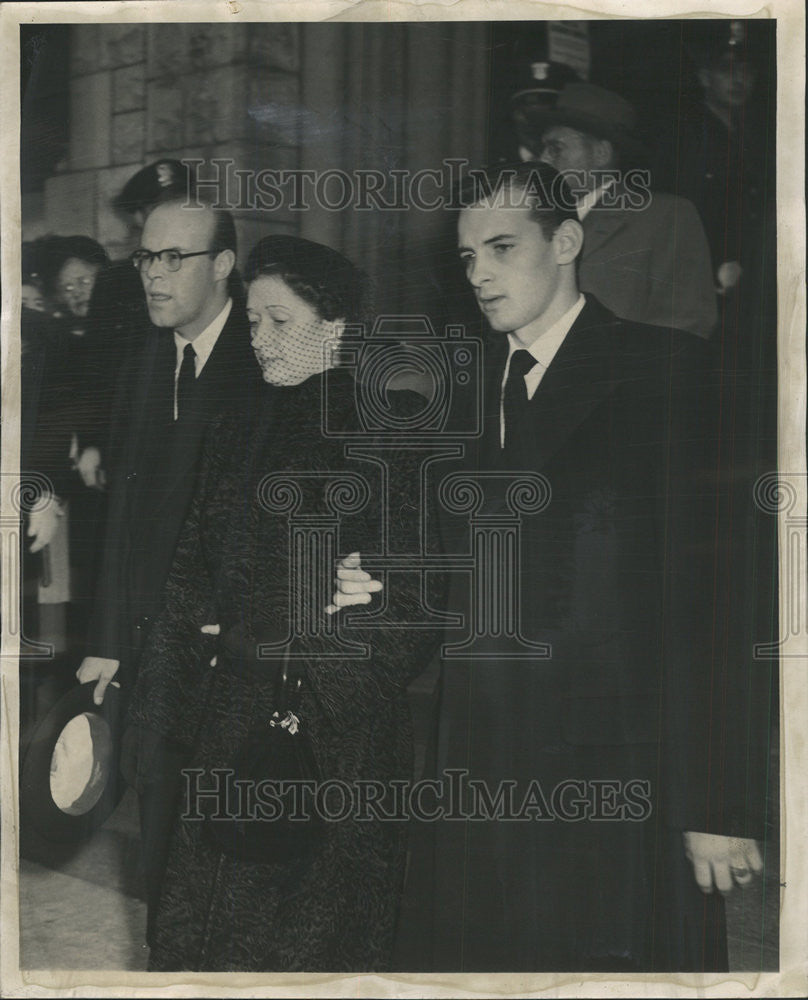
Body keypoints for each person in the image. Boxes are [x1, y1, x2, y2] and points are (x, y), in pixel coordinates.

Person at [336, 162, 774, 971]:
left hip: (619, 776)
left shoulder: (666, 371)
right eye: (468, 257)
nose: (481, 275)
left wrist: (718, 799)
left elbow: (720, 601)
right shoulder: (460, 392)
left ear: (567, 240)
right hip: (478, 770)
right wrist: (378, 580)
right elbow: (452, 575)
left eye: (502, 247)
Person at [125, 235, 443, 971]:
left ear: (334, 326)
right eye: (252, 324)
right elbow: (188, 573)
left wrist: (312, 669)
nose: (260, 339)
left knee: (307, 945)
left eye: (280, 321)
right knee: (195, 933)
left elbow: (419, 599)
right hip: (227, 717)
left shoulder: (389, 425)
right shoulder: (235, 427)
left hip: (335, 740)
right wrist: (163, 711)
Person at [76, 198, 263, 942]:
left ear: (222, 267)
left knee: (230, 871)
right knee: (159, 858)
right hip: (155, 661)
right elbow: (123, 518)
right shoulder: (146, 362)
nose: (153, 274)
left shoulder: (266, 360)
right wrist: (108, 637)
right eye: (146, 257)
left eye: (172, 258)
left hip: (235, 660)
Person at [517, 82, 718, 339]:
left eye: (556, 148)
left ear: (601, 154)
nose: (543, 160)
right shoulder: (529, 222)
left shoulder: (664, 216)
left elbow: (688, 323)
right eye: (542, 149)